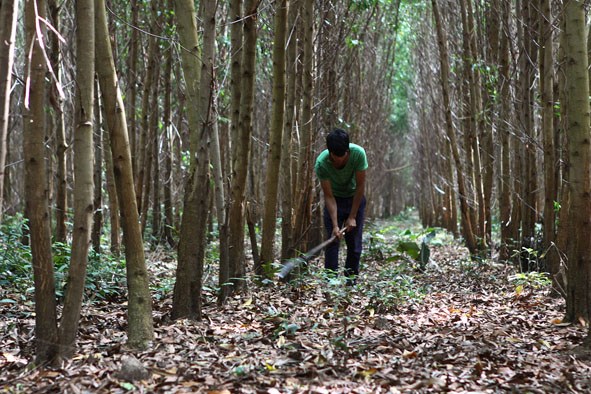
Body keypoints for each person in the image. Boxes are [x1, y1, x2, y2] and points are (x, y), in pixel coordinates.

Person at [314, 128, 368, 284]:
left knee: (354, 245)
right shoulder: (322, 163)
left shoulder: (358, 154)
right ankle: (331, 283)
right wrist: (336, 225)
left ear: (348, 151)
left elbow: (360, 187)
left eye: (342, 156)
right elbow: (329, 196)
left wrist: (352, 216)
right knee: (332, 242)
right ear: (329, 152)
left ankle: (350, 283)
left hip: (354, 198)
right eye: (334, 157)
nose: (338, 161)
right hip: (335, 200)